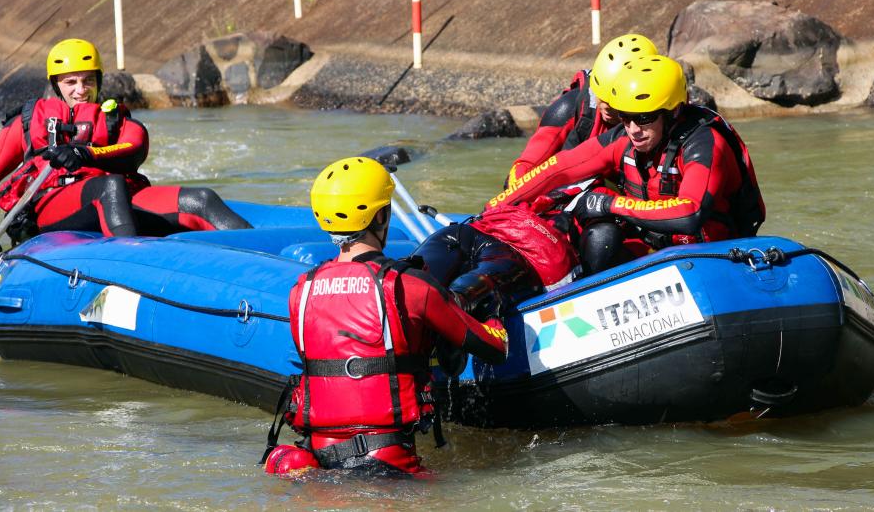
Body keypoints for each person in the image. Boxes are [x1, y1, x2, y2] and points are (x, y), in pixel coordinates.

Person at [262, 157, 508, 476]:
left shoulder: (301, 292)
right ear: (382, 215)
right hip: (392, 470)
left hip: (319, 467)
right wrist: (494, 312)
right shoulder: (410, 287)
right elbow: (494, 348)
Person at [0, 38, 251, 265]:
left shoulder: (115, 120)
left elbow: (135, 147)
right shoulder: (28, 123)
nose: (80, 90)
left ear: (98, 80)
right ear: (56, 85)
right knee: (109, 187)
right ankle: (132, 269)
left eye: (88, 80)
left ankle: (266, 264)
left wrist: (86, 155)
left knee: (202, 199)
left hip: (116, 199)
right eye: (71, 82)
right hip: (51, 207)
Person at [488, 54, 765, 274]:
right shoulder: (625, 138)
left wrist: (610, 203)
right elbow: (560, 168)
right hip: (656, 250)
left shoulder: (705, 143)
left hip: (713, 257)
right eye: (625, 117)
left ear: (673, 112)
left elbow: (689, 212)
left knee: (603, 218)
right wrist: (497, 207)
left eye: (644, 118)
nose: (633, 129)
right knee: (599, 238)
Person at [507, 34, 658, 185]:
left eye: (612, 100)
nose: (605, 105)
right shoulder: (569, 108)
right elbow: (524, 167)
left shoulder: (669, 118)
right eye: (600, 96)